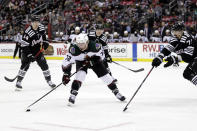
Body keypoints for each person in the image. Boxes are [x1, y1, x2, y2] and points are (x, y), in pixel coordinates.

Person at [62, 33, 126, 105]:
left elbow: (102, 57)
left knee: (106, 77)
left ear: (87, 42)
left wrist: (93, 61)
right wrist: (66, 73)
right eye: (78, 43)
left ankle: (116, 92)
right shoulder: (73, 49)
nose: (80, 46)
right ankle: (73, 95)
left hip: (94, 61)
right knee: (80, 76)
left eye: (82, 43)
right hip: (81, 62)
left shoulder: (95, 46)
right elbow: (66, 61)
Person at [15, 15, 56, 91]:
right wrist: (30, 55)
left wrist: (45, 43)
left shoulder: (41, 28)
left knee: (44, 64)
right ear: (31, 22)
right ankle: (18, 82)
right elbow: (24, 45)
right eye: (34, 22)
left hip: (37, 50)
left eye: (37, 22)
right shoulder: (27, 32)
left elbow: (44, 38)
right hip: (27, 50)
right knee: (25, 66)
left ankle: (49, 81)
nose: (36, 23)